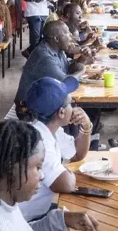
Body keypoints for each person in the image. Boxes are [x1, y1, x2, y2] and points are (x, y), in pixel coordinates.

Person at [17, 76, 91, 220]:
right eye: (71, 103)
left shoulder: (49, 129)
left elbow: (77, 154)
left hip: (38, 210)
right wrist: (64, 169)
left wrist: (86, 126)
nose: (74, 107)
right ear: (61, 112)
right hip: (28, 219)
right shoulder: (39, 141)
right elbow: (65, 185)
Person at [13, 20, 88, 111]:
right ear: (56, 39)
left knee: (75, 109)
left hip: (42, 100)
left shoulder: (57, 49)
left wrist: (83, 58)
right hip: (27, 109)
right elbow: (67, 84)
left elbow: (68, 69)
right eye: (67, 33)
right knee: (70, 109)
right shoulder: (44, 57)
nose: (71, 36)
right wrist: (82, 70)